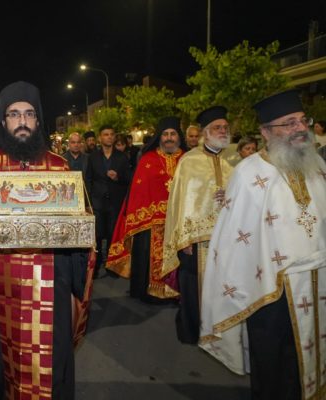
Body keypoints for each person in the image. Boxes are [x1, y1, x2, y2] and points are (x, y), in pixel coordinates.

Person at [0, 81, 94, 400]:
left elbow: (82, 223)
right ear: (3, 121)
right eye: (14, 114)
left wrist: (83, 236)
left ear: (38, 120)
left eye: (29, 114)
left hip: (52, 281)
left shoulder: (59, 166)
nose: (22, 121)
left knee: (52, 358)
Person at [199, 90, 326, 400]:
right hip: (272, 288)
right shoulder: (248, 174)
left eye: (302, 120)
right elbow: (234, 238)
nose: (300, 128)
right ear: (266, 132)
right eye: (289, 123)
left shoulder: (317, 166)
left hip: (320, 279)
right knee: (276, 363)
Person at [160, 106, 234, 344]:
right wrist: (183, 239)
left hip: (225, 236)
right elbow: (179, 201)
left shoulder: (231, 162)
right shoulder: (189, 161)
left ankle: (217, 329)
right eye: (217, 127)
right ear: (205, 132)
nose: (222, 131)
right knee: (192, 285)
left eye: (225, 127)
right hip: (195, 239)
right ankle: (192, 331)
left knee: (221, 284)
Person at [107, 116, 186, 302]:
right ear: (159, 137)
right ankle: (149, 294)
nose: (169, 138)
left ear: (179, 136)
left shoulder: (188, 159)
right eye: (165, 134)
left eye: (173, 134)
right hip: (151, 223)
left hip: (181, 221)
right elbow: (138, 191)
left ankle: (179, 292)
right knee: (147, 255)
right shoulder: (148, 159)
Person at [85, 125, 132, 277]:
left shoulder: (122, 157)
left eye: (111, 134)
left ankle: (112, 267)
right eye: (106, 134)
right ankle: (95, 267)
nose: (109, 137)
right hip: (97, 202)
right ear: (100, 137)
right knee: (97, 236)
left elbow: (129, 179)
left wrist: (118, 177)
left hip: (115, 202)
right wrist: (88, 203)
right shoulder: (93, 157)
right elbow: (88, 180)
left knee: (113, 235)